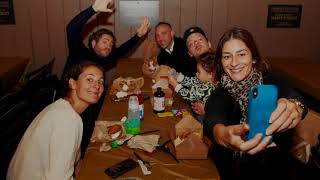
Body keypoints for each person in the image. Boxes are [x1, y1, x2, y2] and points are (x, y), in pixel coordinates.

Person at [203, 27, 308, 180]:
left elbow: (294, 96)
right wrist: (222, 134)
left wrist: (295, 107)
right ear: (221, 61)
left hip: (275, 169)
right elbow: (211, 120)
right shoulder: (220, 94)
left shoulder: (273, 82)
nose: (234, 63)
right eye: (227, 56)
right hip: (229, 170)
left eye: (241, 54)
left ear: (253, 57)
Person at [64, 0, 149, 161]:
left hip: (88, 110)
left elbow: (122, 50)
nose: (108, 47)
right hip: (70, 107)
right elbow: (71, 29)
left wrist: (138, 36)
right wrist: (93, 9)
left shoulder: (102, 59)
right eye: (105, 42)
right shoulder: (79, 52)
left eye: (111, 44)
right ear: (93, 43)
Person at [7, 61, 105, 180]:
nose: (97, 85)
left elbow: (74, 159)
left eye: (101, 81)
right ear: (73, 83)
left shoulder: (62, 107)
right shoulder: (68, 119)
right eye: (90, 79)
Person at [168, 51, 218, 123]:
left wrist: (175, 85)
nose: (196, 74)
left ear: (210, 74)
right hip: (195, 110)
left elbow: (189, 95)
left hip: (203, 118)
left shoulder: (208, 88)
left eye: (199, 72)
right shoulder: (203, 80)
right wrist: (178, 76)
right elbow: (191, 81)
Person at [183, 26, 213, 116]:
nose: (196, 43)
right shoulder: (192, 70)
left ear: (209, 44)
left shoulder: (222, 64)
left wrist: (208, 108)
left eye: (200, 39)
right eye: (191, 44)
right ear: (190, 53)